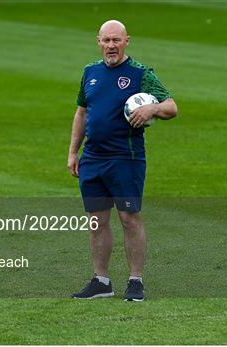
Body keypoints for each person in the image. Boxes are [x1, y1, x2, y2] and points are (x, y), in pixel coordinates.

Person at [67, 20, 177, 301]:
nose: (111, 46)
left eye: (117, 40)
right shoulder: (89, 72)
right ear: (98, 41)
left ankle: (135, 281)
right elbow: (81, 113)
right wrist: (73, 152)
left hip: (125, 159)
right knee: (96, 220)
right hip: (93, 158)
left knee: (129, 218)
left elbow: (171, 107)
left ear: (127, 40)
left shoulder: (141, 74)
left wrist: (153, 106)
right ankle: (101, 281)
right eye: (107, 40)